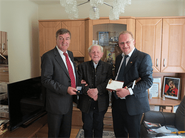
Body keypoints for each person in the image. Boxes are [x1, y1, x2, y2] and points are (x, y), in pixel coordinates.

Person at [112, 31, 153, 138]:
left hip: (133, 105)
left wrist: (129, 91)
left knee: (134, 134)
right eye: (121, 43)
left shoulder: (143, 57)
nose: (125, 45)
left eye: (127, 42)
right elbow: (119, 78)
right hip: (117, 104)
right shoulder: (118, 58)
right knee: (119, 133)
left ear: (133, 42)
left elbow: (148, 81)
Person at [41, 28, 77, 138]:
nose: (64, 41)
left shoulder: (70, 54)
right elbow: (46, 80)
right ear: (56, 39)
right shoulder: (48, 56)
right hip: (56, 105)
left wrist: (79, 81)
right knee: (54, 134)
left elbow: (70, 74)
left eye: (67, 38)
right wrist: (65, 89)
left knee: (66, 133)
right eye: (61, 38)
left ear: (70, 40)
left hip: (68, 102)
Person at [77, 44, 112, 138]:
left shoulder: (107, 67)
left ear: (102, 54)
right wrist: (88, 91)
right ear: (89, 54)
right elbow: (78, 83)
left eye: (98, 52)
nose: (95, 54)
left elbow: (109, 82)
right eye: (93, 52)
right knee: (87, 126)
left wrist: (97, 90)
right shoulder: (82, 66)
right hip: (85, 102)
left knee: (99, 126)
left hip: (101, 102)